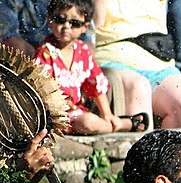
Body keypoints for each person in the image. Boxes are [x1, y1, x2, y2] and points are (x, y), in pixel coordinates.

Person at [33, 0, 146, 134]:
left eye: (74, 23)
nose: (66, 27)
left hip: (77, 114)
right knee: (88, 122)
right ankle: (124, 124)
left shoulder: (83, 50)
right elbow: (41, 89)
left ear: (85, 26)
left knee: (88, 121)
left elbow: (95, 85)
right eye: (60, 20)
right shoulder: (45, 53)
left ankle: (114, 122)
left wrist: (107, 114)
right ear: (50, 20)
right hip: (55, 117)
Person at [93, 0, 181, 129]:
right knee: (139, 88)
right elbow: (92, 25)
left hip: (158, 63)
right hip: (113, 58)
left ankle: (167, 149)